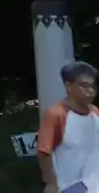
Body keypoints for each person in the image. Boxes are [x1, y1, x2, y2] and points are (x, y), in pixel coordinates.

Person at [39, 61, 99, 193]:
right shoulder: (56, 114)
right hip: (70, 187)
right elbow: (44, 151)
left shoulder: (95, 113)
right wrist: (51, 183)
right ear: (69, 86)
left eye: (93, 86)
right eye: (84, 86)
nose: (91, 91)